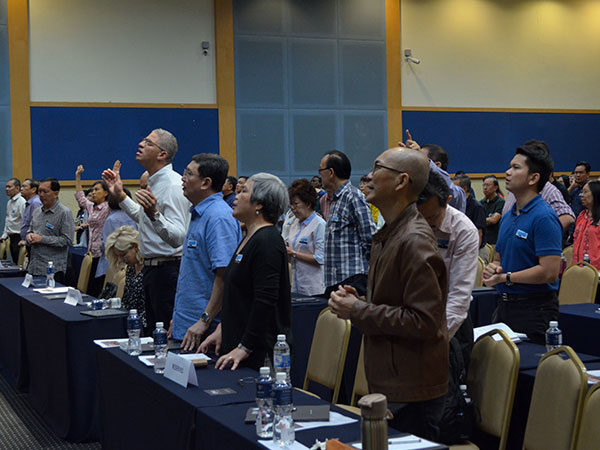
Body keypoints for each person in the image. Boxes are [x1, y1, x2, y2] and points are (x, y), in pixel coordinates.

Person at [328, 147, 448, 441]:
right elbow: (394, 303)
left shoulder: (414, 239)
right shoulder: (390, 232)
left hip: (412, 391)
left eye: (377, 168)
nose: (368, 177)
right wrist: (359, 301)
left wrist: (358, 310)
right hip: (393, 381)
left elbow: (423, 321)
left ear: (401, 181)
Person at [200, 173, 292, 372]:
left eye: (243, 192)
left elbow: (265, 301)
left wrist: (245, 347)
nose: (236, 196)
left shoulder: (267, 241)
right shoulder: (250, 236)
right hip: (238, 345)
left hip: (259, 355)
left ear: (259, 204)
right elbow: (241, 295)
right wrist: (223, 328)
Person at [102, 128, 190, 330]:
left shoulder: (172, 185)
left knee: (164, 334)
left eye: (149, 143)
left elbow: (178, 237)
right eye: (143, 140)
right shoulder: (153, 181)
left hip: (167, 270)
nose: (140, 144)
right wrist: (120, 195)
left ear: (162, 155)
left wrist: (154, 214)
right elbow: (145, 218)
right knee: (152, 332)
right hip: (152, 269)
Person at [483, 140, 562, 345]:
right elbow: (498, 259)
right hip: (504, 305)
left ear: (533, 178)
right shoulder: (509, 215)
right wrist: (493, 270)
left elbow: (549, 272)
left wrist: (506, 277)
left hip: (534, 309)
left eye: (516, 167)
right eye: (509, 166)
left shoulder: (544, 216)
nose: (508, 172)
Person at [171, 154, 242, 351]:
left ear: (206, 183)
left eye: (188, 174)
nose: (182, 179)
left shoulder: (218, 217)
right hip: (187, 326)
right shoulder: (199, 213)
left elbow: (224, 275)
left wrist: (204, 320)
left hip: (205, 332)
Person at [418, 170, 479, 341]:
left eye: (432, 217)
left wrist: (434, 339)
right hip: (416, 315)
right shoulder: (408, 220)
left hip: (449, 323)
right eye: (420, 217)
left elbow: (459, 298)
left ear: (447, 201)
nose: (426, 224)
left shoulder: (463, 230)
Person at [319, 150, 376, 297]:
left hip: (353, 281)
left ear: (331, 172)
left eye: (321, 171)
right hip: (335, 280)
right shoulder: (333, 200)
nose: (319, 175)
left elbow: (371, 239)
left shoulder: (353, 197)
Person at [26, 178, 74, 282]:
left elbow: (68, 240)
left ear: (56, 193)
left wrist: (42, 239)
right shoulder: (37, 211)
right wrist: (29, 236)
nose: (41, 195)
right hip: (34, 267)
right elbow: (30, 230)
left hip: (53, 271)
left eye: (45, 192)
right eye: (39, 192)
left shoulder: (64, 213)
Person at [74, 165, 111, 296]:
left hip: (103, 255)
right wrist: (78, 176)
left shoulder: (108, 207)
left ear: (106, 193)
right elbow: (81, 197)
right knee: (90, 288)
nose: (93, 192)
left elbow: (117, 196)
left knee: (98, 288)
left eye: (97, 190)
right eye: (93, 190)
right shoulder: (92, 207)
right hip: (91, 252)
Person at [286, 179, 326, 296]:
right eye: (290, 204)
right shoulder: (294, 223)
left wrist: (293, 253)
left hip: (313, 287)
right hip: (296, 285)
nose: (292, 208)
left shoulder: (319, 224)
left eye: (296, 204)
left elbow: (320, 258)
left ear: (308, 203)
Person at [105, 226, 147, 328]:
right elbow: (127, 301)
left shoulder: (149, 269)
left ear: (135, 247)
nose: (121, 260)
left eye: (123, 255)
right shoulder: (131, 268)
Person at [95, 188, 137, 282]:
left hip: (112, 264)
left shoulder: (111, 219)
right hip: (130, 262)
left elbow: (106, 245)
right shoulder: (132, 217)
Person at [453, 174, 486, 251]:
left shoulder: (477, 206)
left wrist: (474, 253)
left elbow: (479, 233)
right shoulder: (457, 204)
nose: (452, 191)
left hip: (476, 250)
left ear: (464, 189)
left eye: (455, 188)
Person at [573, 180, 600, 270]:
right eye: (581, 192)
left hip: (596, 270)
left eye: (585, 192)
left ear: (596, 194)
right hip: (578, 268)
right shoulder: (582, 215)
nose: (582, 195)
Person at [1, 178, 26, 263]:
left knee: (19, 263)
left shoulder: (22, 202)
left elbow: (25, 221)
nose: (6, 189)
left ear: (17, 188)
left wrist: (24, 239)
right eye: (6, 187)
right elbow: (8, 220)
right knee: (14, 262)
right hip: (11, 237)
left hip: (19, 237)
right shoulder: (10, 202)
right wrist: (4, 235)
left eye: (9, 187)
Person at [480, 175, 505, 247]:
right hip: (483, 240)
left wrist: (479, 221)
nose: (485, 188)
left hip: (494, 241)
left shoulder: (500, 202)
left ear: (495, 188)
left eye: (488, 185)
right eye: (484, 185)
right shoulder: (481, 202)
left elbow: (493, 220)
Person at [19, 178, 42, 251]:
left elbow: (36, 225)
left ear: (33, 189)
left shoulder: (35, 203)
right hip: (28, 242)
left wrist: (27, 241)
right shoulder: (29, 203)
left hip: (34, 244)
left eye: (24, 186)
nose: (21, 189)